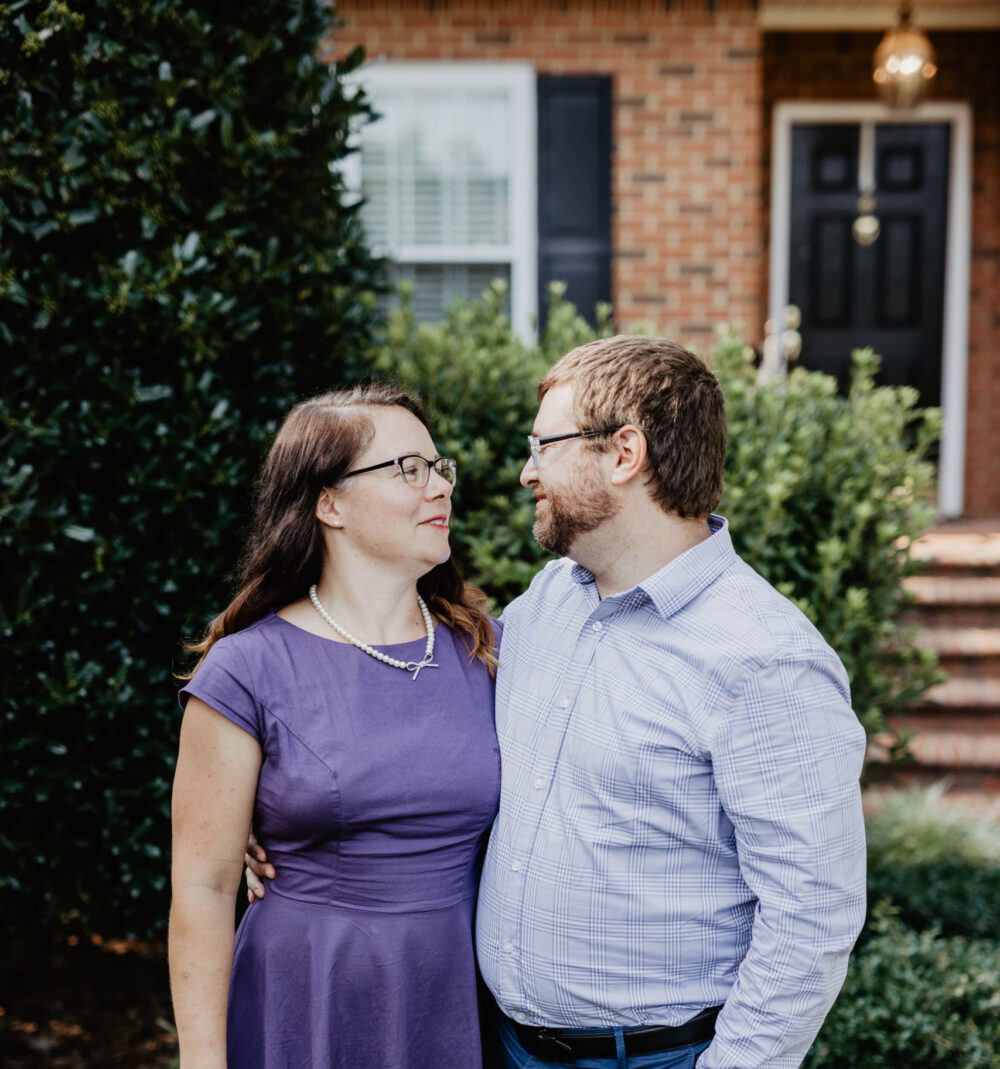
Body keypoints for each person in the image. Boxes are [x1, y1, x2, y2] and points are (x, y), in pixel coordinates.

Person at [248, 336, 868, 1069]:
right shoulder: (546, 605)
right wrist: (278, 816)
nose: (525, 472)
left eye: (542, 446)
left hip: (656, 1058)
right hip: (501, 1045)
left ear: (623, 453)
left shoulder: (765, 659)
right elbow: (415, 718)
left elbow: (812, 917)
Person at [168, 383, 501, 1069]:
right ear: (329, 502)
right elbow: (201, 888)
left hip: (457, 997)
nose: (438, 486)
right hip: (305, 1000)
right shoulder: (246, 669)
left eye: (441, 468)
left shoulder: (489, 650)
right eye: (408, 468)